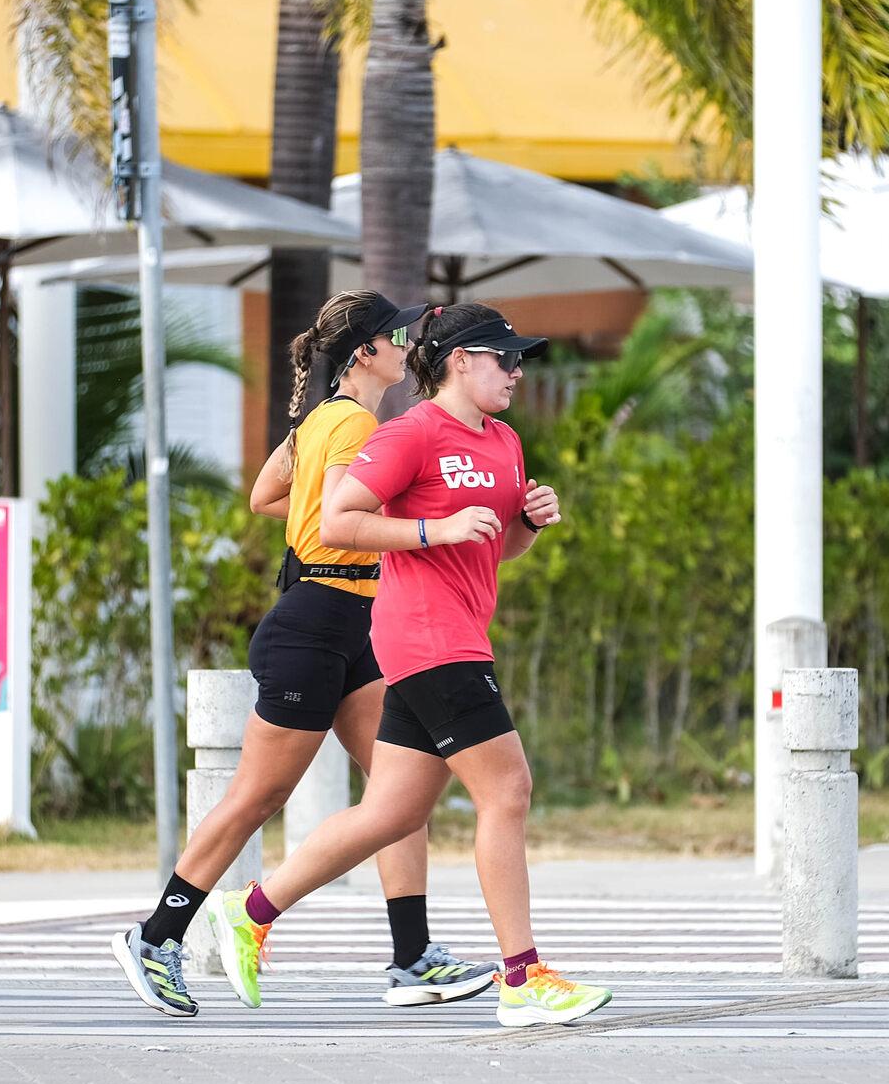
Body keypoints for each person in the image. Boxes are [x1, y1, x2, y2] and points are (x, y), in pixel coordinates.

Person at [204, 303, 611, 1029]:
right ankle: (524, 977)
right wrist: (433, 527)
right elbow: (339, 519)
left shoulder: (507, 442)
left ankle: (250, 910)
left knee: (392, 811)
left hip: (458, 631)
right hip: (423, 635)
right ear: (460, 360)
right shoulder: (410, 433)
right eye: (503, 358)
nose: (516, 371)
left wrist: (528, 524)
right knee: (508, 788)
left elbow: (495, 548)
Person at [110, 291, 496, 1017]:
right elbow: (338, 518)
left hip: (357, 622)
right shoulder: (350, 423)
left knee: (398, 790)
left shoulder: (322, 421)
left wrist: (335, 515)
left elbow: (265, 497)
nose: (407, 343)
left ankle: (412, 956)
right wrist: (423, 527)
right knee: (259, 795)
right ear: (365, 353)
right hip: (318, 621)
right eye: (396, 334)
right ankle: (156, 934)